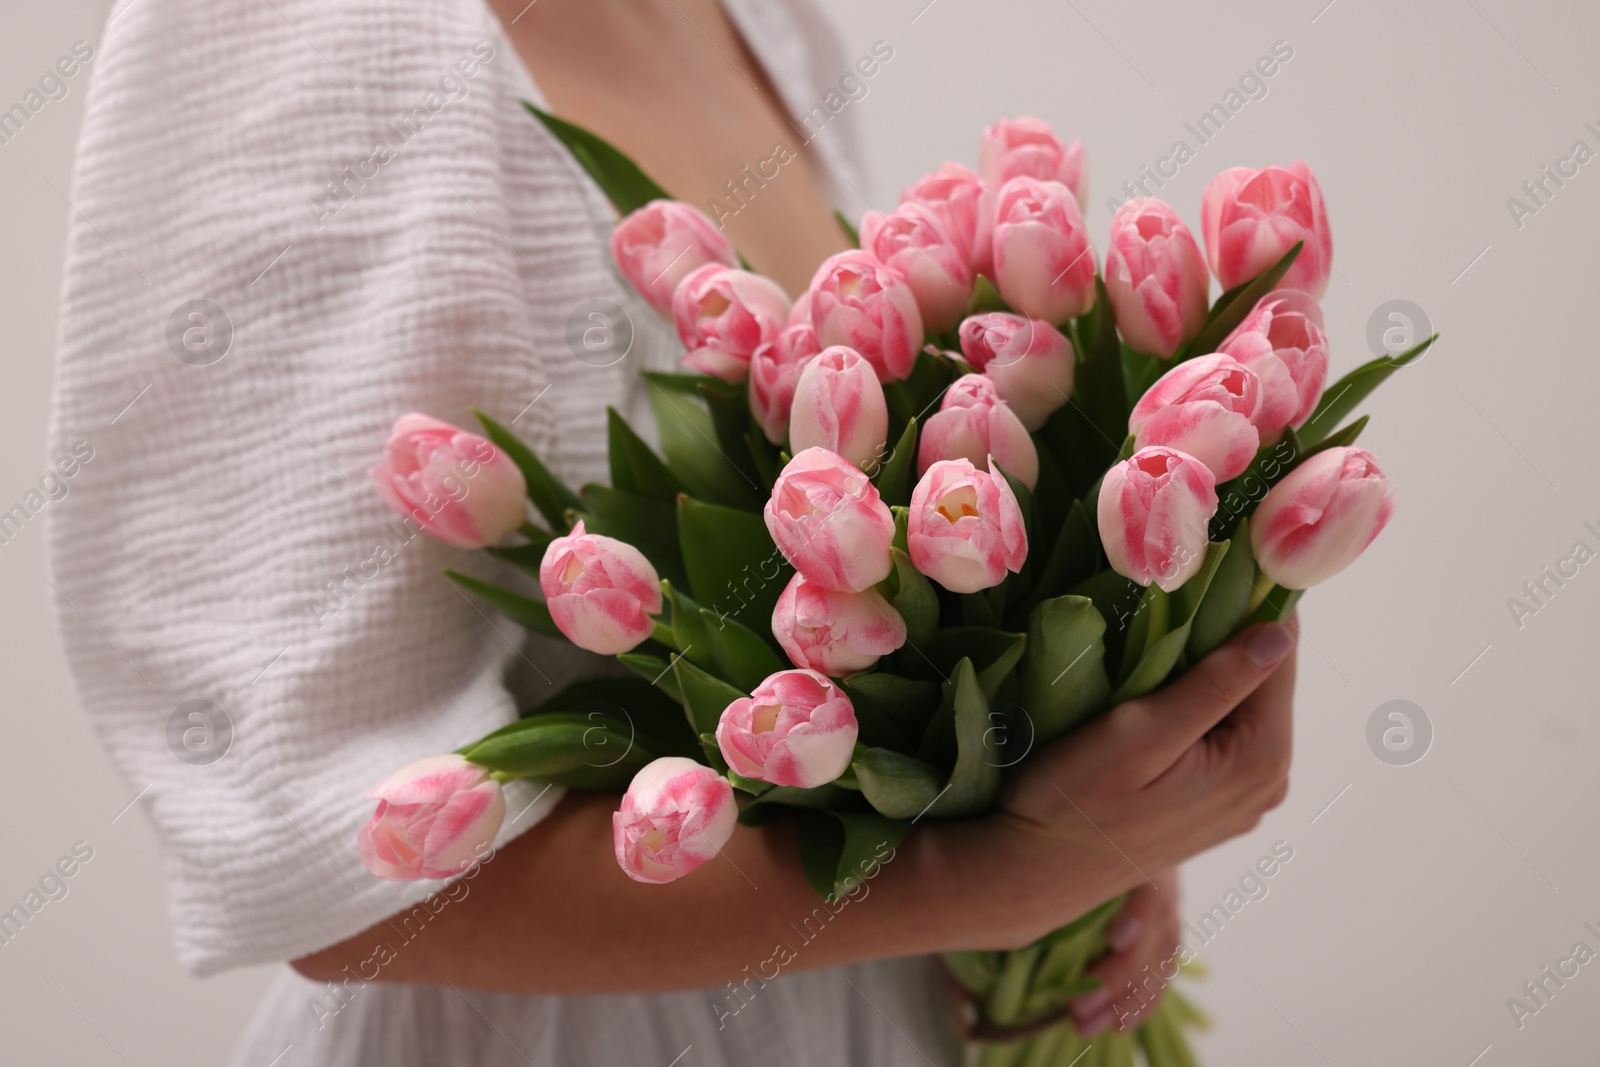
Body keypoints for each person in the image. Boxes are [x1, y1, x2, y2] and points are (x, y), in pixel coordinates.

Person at [48, 0, 1296, 1063]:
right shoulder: (304, 31)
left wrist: (1096, 842)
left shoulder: (749, 12)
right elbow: (330, 862)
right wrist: (992, 881)